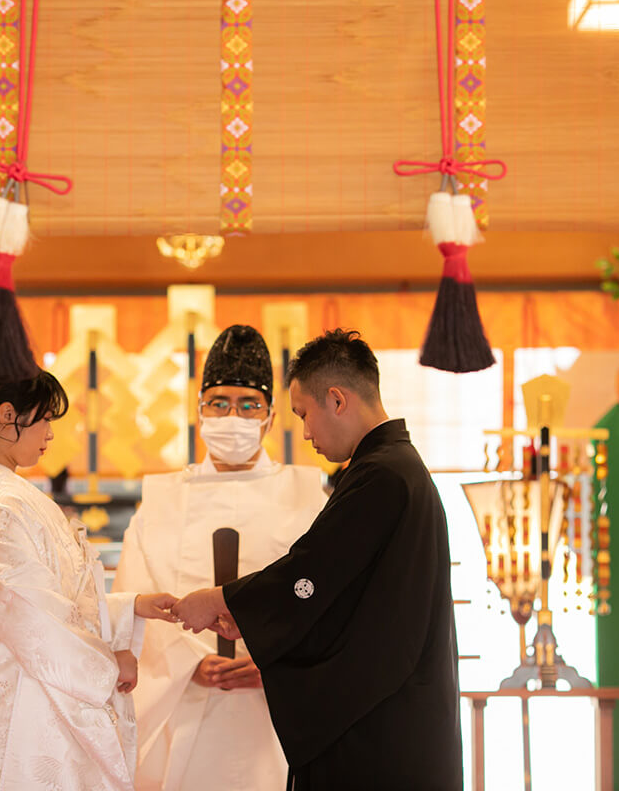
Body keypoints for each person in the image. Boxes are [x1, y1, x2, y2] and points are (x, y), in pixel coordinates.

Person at [172, 329, 464, 790]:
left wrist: (223, 600)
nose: (306, 432)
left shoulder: (382, 475)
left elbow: (311, 573)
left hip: (383, 732)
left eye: (305, 414)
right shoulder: (393, 468)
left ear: (337, 400)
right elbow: (345, 595)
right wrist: (247, 617)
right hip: (399, 717)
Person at [0, 371, 179, 791]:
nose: (51, 434)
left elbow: (52, 602)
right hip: (32, 706)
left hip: (44, 694)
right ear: (7, 415)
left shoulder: (10, 499)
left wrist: (130, 606)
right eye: (45, 419)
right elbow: (32, 619)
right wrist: (108, 667)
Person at [112, 324, 327, 791]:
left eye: (249, 405)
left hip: (274, 707)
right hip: (183, 701)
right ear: (200, 413)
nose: (234, 416)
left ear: (270, 417)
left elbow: (324, 595)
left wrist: (274, 662)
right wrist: (190, 661)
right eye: (220, 403)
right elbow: (132, 598)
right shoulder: (164, 498)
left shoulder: (306, 494)